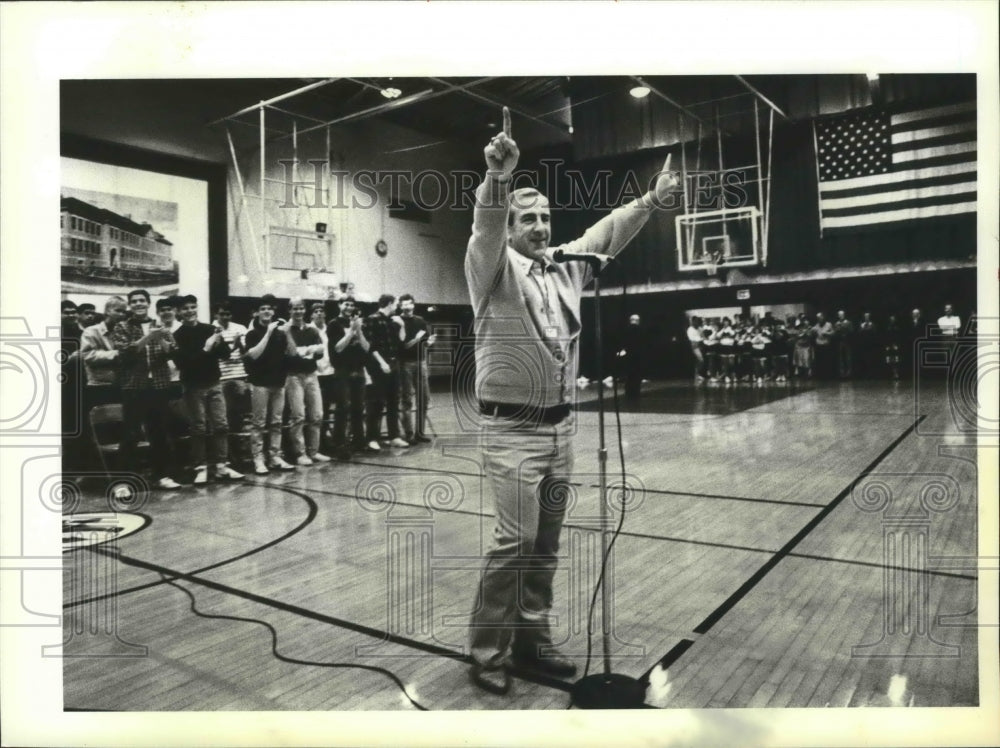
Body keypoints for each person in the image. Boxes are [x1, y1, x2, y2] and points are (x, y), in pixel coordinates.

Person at [463, 107, 679, 694]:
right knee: (513, 543)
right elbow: (483, 227)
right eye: (526, 219)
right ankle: (486, 652)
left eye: (545, 217)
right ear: (509, 230)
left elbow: (608, 231)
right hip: (510, 431)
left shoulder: (565, 269)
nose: (539, 226)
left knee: (547, 545)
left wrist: (653, 201)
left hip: (561, 431)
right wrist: (498, 179)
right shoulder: (490, 270)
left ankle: (533, 642)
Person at [111, 291, 184, 490]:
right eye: (134, 301)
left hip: (159, 386)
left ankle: (161, 476)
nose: (138, 304)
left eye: (142, 300)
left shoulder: (160, 325)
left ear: (149, 303)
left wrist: (160, 337)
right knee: (131, 435)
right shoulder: (122, 326)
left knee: (159, 433)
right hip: (134, 387)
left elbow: (173, 353)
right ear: (130, 305)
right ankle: (123, 483)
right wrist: (148, 337)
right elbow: (125, 354)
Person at [173, 294, 244, 485]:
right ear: (179, 312)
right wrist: (206, 347)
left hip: (214, 383)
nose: (190, 311)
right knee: (199, 427)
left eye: (192, 307)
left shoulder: (210, 329)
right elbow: (184, 363)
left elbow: (225, 355)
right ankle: (200, 467)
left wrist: (222, 342)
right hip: (193, 387)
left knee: (221, 425)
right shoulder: (178, 335)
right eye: (185, 308)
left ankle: (221, 465)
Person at [243, 294, 296, 474]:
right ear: (257, 313)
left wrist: (287, 333)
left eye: (269, 309)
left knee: (276, 422)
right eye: (263, 309)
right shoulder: (252, 334)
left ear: (274, 312)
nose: (266, 312)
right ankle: (258, 458)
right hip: (260, 384)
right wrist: (268, 333)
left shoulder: (281, 334)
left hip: (278, 383)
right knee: (258, 423)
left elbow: (293, 354)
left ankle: (274, 456)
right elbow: (253, 355)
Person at [285, 298, 331, 466]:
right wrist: (308, 350)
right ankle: (299, 453)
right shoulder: (285, 330)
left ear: (305, 310)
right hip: (293, 376)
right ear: (290, 310)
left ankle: (314, 451)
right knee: (298, 416)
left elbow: (319, 352)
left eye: (301, 308)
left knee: (317, 415)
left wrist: (306, 351)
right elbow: (291, 355)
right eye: (295, 309)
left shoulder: (312, 330)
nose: (298, 312)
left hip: (311, 375)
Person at [363, 294, 409, 451]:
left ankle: (394, 436)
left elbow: (401, 341)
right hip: (378, 365)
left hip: (393, 363)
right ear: (389, 303)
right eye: (395, 304)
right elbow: (370, 345)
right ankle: (372, 438)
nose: (397, 307)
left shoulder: (393, 321)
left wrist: (402, 325)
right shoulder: (372, 319)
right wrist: (382, 363)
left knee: (393, 401)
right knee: (375, 403)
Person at [327, 296, 369, 458]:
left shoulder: (357, 323)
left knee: (359, 408)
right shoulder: (334, 324)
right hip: (342, 370)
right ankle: (340, 444)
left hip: (358, 369)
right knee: (342, 408)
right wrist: (351, 332)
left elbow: (366, 348)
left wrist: (358, 330)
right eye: (346, 304)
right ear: (339, 305)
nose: (349, 307)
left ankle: (359, 441)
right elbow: (338, 348)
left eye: (352, 305)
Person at [398, 293, 434, 444]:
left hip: (421, 362)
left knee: (423, 399)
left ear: (413, 305)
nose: (407, 306)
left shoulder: (420, 321)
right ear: (400, 306)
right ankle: (409, 434)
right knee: (407, 399)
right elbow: (402, 345)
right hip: (405, 363)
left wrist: (429, 342)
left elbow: (426, 341)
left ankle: (420, 432)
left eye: (409, 303)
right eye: (404, 304)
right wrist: (417, 339)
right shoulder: (397, 321)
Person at [310, 301, 338, 452]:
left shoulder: (329, 329)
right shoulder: (309, 329)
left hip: (330, 372)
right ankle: (316, 442)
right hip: (315, 374)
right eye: (316, 311)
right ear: (312, 314)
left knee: (327, 408)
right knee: (315, 409)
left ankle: (326, 437)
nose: (319, 313)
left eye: (321, 311)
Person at [833, 309, 854, 379]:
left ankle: (849, 373)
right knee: (840, 358)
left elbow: (851, 331)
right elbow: (835, 333)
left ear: (844, 315)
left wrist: (844, 330)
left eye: (842, 314)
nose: (840, 316)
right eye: (839, 315)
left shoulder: (848, 322)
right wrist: (838, 330)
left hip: (847, 342)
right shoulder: (836, 323)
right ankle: (841, 373)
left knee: (848, 358)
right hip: (840, 342)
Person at [685, 315, 705, 383]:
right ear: (693, 322)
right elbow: (692, 339)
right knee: (700, 359)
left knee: (699, 361)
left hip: (701, 346)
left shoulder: (699, 328)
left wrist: (702, 337)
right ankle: (697, 374)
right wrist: (700, 339)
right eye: (695, 321)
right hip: (695, 347)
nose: (697, 322)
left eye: (698, 321)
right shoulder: (689, 329)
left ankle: (697, 375)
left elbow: (703, 336)